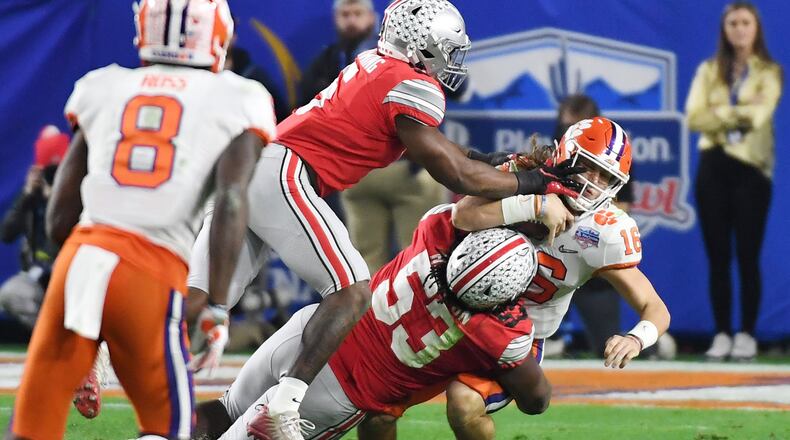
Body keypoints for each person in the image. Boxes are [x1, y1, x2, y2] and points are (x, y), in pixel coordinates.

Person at [185, 1, 584, 437]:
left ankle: (108, 363)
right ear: (424, 45)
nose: (452, 60)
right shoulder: (413, 85)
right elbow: (454, 172)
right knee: (353, 290)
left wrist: (493, 160)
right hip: (286, 174)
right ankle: (286, 401)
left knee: (198, 302)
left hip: (256, 173)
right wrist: (531, 182)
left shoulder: (379, 65)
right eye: (447, 48)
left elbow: (442, 150)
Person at [9, 1, 276, 438]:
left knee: (33, 426)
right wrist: (215, 305)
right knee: (168, 426)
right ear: (217, 36)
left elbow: (61, 217)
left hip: (80, 260)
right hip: (151, 269)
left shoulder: (103, 86)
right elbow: (231, 199)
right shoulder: (240, 97)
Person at [358, 117, 671, 440]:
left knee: (464, 404)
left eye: (606, 177)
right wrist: (534, 205)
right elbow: (464, 215)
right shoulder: (524, 176)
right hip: (454, 311)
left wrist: (636, 339)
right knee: (377, 410)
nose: (593, 183)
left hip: (514, 334)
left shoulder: (604, 232)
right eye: (588, 167)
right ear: (564, 156)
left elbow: (654, 307)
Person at [194, 198, 576, 439]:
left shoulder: (436, 231)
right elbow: (536, 399)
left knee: (224, 410)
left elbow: (470, 209)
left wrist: (532, 201)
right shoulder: (495, 332)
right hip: (337, 393)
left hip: (314, 330)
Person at [685, 1, 782, 361]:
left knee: (748, 256)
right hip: (713, 168)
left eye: (745, 23)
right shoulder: (709, 69)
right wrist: (735, 113)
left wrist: (719, 112)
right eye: (733, 23)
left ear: (756, 28)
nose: (739, 29)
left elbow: (758, 117)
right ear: (724, 29)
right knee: (718, 257)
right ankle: (723, 332)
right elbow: (694, 118)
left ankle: (747, 334)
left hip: (751, 172)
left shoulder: (769, 71)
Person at [546, 95, 636, 358]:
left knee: (607, 346)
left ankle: (653, 345)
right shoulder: (545, 161)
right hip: (544, 257)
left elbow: (623, 206)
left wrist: (582, 224)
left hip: (585, 255)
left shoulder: (614, 159)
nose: (592, 176)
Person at [0, 126, 68, 329]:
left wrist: (59, 195)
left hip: (68, 277)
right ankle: (48, 339)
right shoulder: (31, 197)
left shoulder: (74, 190)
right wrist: (28, 196)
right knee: (12, 293)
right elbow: (6, 234)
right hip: (38, 279)